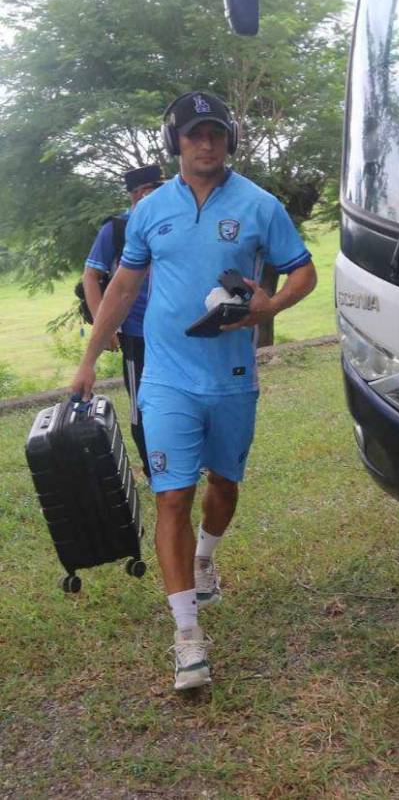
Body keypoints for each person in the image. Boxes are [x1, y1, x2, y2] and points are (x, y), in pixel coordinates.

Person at [71, 91, 317, 692]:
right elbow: (124, 288)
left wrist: (272, 302)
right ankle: (187, 638)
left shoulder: (260, 205)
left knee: (225, 486)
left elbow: (303, 269)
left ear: (228, 139)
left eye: (216, 133)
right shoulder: (151, 211)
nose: (206, 144)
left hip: (231, 379)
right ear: (175, 143)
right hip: (166, 378)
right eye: (193, 135)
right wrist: (86, 362)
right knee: (172, 497)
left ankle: (206, 557)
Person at [81, 165, 162, 479]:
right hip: (136, 332)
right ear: (140, 194)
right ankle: (155, 471)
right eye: (155, 189)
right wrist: (107, 324)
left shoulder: (172, 221)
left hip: (178, 332)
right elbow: (91, 275)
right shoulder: (115, 229)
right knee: (142, 405)